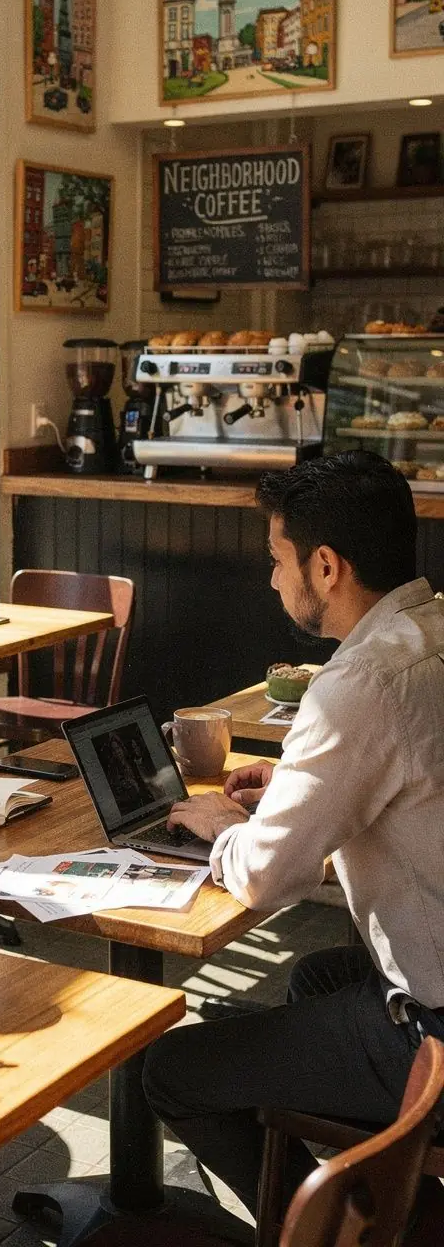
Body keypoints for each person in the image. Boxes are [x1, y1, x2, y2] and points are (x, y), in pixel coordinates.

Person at [143, 450, 444, 1228]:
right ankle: (401, 1211)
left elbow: (264, 881)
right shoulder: (432, 631)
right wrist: (305, 795)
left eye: (277, 561)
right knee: (316, 979)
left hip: (437, 1030)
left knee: (171, 1068)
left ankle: (309, 1233)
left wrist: (221, 825)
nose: (272, 580)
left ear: (326, 565)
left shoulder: (356, 685)